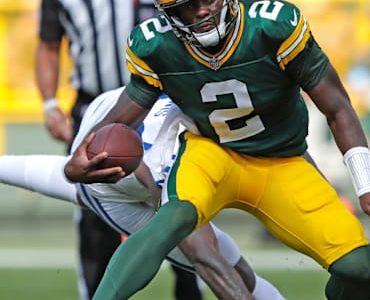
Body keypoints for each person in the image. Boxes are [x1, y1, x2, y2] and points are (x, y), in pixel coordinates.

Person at [66, 0, 370, 300]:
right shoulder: (156, 45)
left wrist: (368, 184)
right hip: (211, 154)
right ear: (169, 13)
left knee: (359, 270)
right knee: (173, 219)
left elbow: (337, 107)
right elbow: (123, 114)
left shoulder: (272, 26)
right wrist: (79, 159)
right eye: (186, 7)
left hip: (282, 161)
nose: (200, 12)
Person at [33, 0, 202, 298]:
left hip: (158, 107)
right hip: (94, 109)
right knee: (94, 213)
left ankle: (190, 291)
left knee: (178, 204)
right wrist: (49, 102)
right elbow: (47, 45)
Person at [0, 88, 285, 300]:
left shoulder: (211, 102)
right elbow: (206, 258)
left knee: (239, 270)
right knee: (225, 265)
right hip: (115, 185)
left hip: (124, 146)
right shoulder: (157, 169)